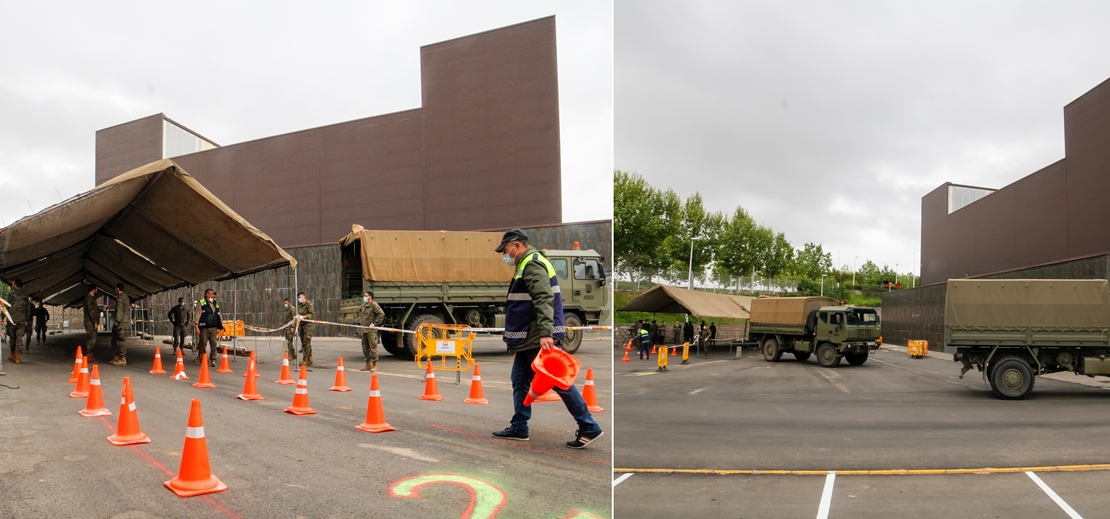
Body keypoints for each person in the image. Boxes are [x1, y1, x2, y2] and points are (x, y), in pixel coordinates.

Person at [490, 228, 602, 449]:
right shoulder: (529, 262)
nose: (506, 254)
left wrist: (545, 333)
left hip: (534, 335)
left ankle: (588, 425)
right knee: (519, 380)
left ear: (517, 245)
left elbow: (543, 298)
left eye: (506, 249)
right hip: (527, 336)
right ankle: (520, 426)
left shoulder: (531, 264)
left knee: (558, 382)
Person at [194, 288, 223, 365]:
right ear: (207, 294)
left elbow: (218, 314)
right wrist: (196, 326)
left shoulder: (215, 303)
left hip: (213, 327)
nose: (213, 295)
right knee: (203, 344)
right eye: (211, 294)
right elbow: (197, 315)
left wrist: (221, 325)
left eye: (213, 294)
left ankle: (213, 359)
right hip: (204, 327)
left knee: (214, 343)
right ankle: (202, 358)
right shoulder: (201, 303)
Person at [358, 291, 385, 372]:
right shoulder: (363, 305)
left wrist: (375, 324)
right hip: (364, 330)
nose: (364, 297)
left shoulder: (374, 305)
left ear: (370, 297)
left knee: (373, 347)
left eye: (366, 296)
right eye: (364, 296)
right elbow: (360, 313)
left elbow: (381, 314)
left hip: (371, 330)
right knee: (365, 348)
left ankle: (375, 365)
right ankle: (368, 364)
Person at [6, 279, 30, 364]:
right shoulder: (25, 295)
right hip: (22, 320)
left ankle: (12, 355)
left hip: (11, 320)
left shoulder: (10, 294)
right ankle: (18, 357)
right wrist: (26, 320)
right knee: (19, 339)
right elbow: (28, 308)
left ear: (15, 285)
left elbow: (6, 306)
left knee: (12, 338)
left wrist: (2, 317)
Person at [110, 284, 131, 366]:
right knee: (114, 339)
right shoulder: (125, 297)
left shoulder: (120, 298)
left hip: (121, 323)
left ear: (118, 289)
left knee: (120, 341)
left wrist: (116, 323)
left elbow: (119, 312)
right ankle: (117, 357)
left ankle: (122, 358)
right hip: (124, 322)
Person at [297, 292, 315, 366]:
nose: (299, 299)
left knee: (306, 342)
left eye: (300, 297)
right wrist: (298, 317)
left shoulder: (308, 304)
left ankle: (305, 359)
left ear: (304, 297)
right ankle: (310, 359)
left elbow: (311, 314)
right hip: (302, 325)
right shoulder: (300, 305)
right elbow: (299, 313)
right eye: (298, 298)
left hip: (308, 325)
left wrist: (303, 317)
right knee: (304, 342)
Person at [83, 285, 100, 359]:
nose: (97, 290)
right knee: (92, 338)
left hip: (91, 321)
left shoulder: (92, 298)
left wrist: (102, 309)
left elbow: (94, 310)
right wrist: (95, 322)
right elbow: (91, 312)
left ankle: (90, 355)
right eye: (96, 289)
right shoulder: (89, 299)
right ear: (93, 290)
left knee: (93, 337)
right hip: (90, 321)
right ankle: (88, 355)